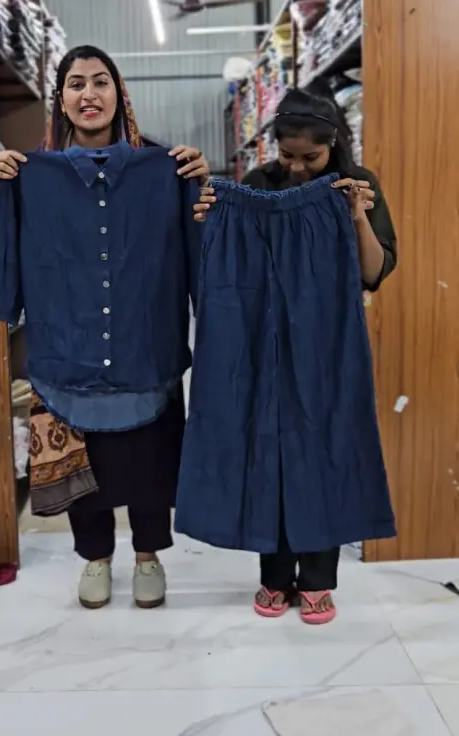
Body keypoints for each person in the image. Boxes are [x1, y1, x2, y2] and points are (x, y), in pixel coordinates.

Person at [0, 45, 210, 611]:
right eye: (76, 83)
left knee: (150, 461)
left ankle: (149, 554)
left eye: (101, 81)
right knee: (86, 465)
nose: (89, 94)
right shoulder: (28, 175)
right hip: (68, 348)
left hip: (146, 346)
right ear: (60, 99)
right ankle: (96, 556)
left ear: (119, 92)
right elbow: (8, 244)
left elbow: (199, 251)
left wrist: (201, 189)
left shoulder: (169, 168)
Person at [194, 87, 397, 623]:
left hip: (328, 334)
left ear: (335, 145)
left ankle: (319, 577)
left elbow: (374, 271)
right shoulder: (258, 184)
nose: (298, 167)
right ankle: (275, 574)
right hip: (262, 331)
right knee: (267, 440)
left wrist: (355, 217)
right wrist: (214, 219)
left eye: (311, 157)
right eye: (288, 155)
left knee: (326, 439)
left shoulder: (356, 185)